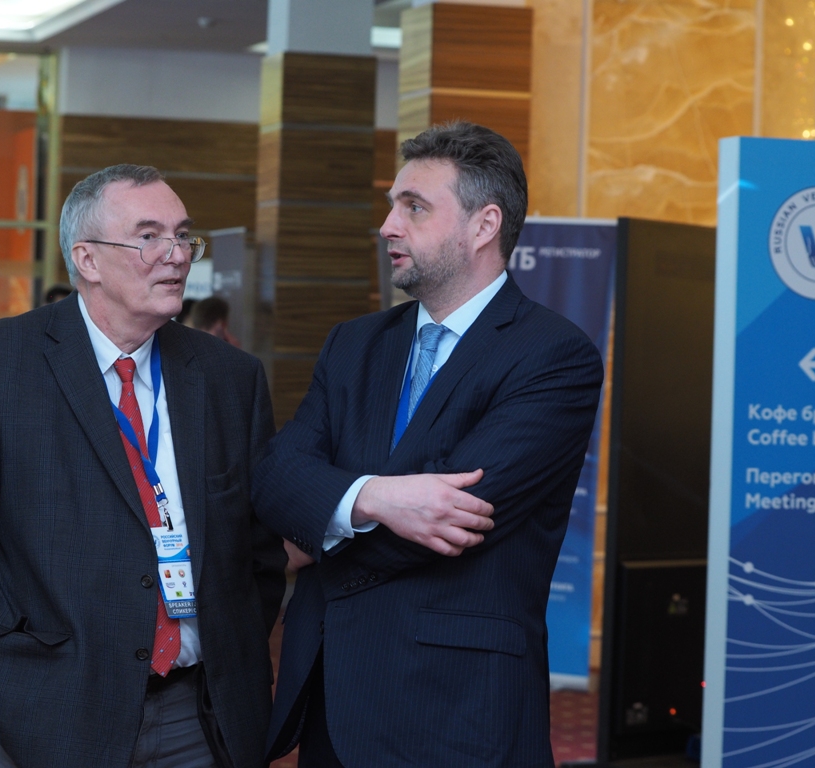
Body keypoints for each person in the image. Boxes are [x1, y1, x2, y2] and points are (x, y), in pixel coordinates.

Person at [252, 122, 605, 767]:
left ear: (484, 225)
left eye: (413, 207)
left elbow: (454, 517)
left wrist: (321, 522)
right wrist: (373, 498)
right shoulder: (354, 343)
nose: (387, 226)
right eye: (392, 205)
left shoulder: (554, 355)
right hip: (331, 697)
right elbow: (276, 475)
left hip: (459, 712)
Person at [0, 164, 287, 768]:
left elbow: (258, 553)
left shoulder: (229, 377)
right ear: (87, 259)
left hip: (203, 716)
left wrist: (232, 653)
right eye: (149, 236)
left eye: (182, 235)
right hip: (53, 711)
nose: (176, 255)